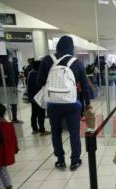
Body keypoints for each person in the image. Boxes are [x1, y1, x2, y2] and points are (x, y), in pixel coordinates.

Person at [37, 36, 91, 171]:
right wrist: (87, 105)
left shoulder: (47, 60)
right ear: (71, 48)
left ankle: (60, 160)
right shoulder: (76, 62)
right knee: (74, 132)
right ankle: (75, 160)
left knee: (56, 132)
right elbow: (85, 86)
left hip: (53, 103)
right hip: (72, 103)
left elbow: (39, 81)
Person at [0, 103, 18, 189]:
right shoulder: (9, 125)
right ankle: (9, 186)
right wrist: (14, 149)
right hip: (6, 154)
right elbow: (14, 139)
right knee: (3, 170)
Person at [27, 60, 50, 136]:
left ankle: (34, 129)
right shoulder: (39, 74)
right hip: (39, 97)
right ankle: (42, 130)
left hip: (32, 97)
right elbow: (41, 85)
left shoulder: (30, 73)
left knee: (34, 113)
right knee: (41, 113)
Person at [0, 54, 22, 123]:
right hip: (10, 87)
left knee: (0, 104)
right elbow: (12, 77)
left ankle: (1, 120)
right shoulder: (8, 64)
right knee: (13, 104)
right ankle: (14, 119)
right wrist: (14, 88)